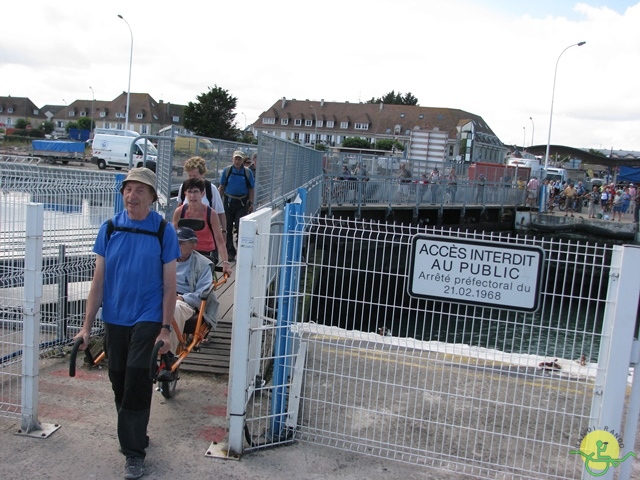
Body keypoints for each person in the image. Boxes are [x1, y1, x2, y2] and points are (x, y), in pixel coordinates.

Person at [73, 167, 181, 479]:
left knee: (136, 377)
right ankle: (133, 433)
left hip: (147, 316)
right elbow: (98, 280)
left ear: (151, 197)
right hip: (115, 317)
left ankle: (134, 453)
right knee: (118, 378)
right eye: (127, 189)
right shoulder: (109, 229)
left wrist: (165, 327)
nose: (131, 196)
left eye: (139, 190)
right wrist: (86, 326)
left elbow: (170, 284)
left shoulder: (163, 231)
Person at [166, 227, 231, 355]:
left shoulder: (203, 264)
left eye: (181, 243)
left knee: (175, 308)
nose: (176, 246)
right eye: (175, 242)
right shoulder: (164, 258)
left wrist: (182, 298)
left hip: (185, 301)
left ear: (194, 244)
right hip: (164, 295)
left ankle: (168, 356)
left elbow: (202, 293)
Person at [172, 178, 229, 264]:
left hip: (206, 254)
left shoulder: (211, 214)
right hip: (184, 254)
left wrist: (225, 262)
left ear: (202, 194)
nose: (192, 196)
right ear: (185, 194)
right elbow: (172, 237)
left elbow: (219, 241)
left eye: (196, 192)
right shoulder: (179, 212)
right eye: (190, 192)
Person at [218, 150, 255, 262]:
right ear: (232, 159)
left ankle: (241, 249)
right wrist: (218, 202)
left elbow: (251, 189)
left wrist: (251, 203)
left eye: (239, 159)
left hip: (242, 203)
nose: (237, 161)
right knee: (228, 227)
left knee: (240, 227)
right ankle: (230, 252)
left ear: (242, 160)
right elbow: (222, 186)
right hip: (229, 202)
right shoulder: (227, 171)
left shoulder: (247, 172)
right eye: (236, 159)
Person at [177, 156, 227, 234]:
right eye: (190, 176)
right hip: (187, 236)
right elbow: (179, 208)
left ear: (202, 174)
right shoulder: (184, 187)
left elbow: (220, 212)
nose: (192, 179)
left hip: (207, 235)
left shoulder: (211, 189)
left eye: (195, 176)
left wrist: (224, 231)